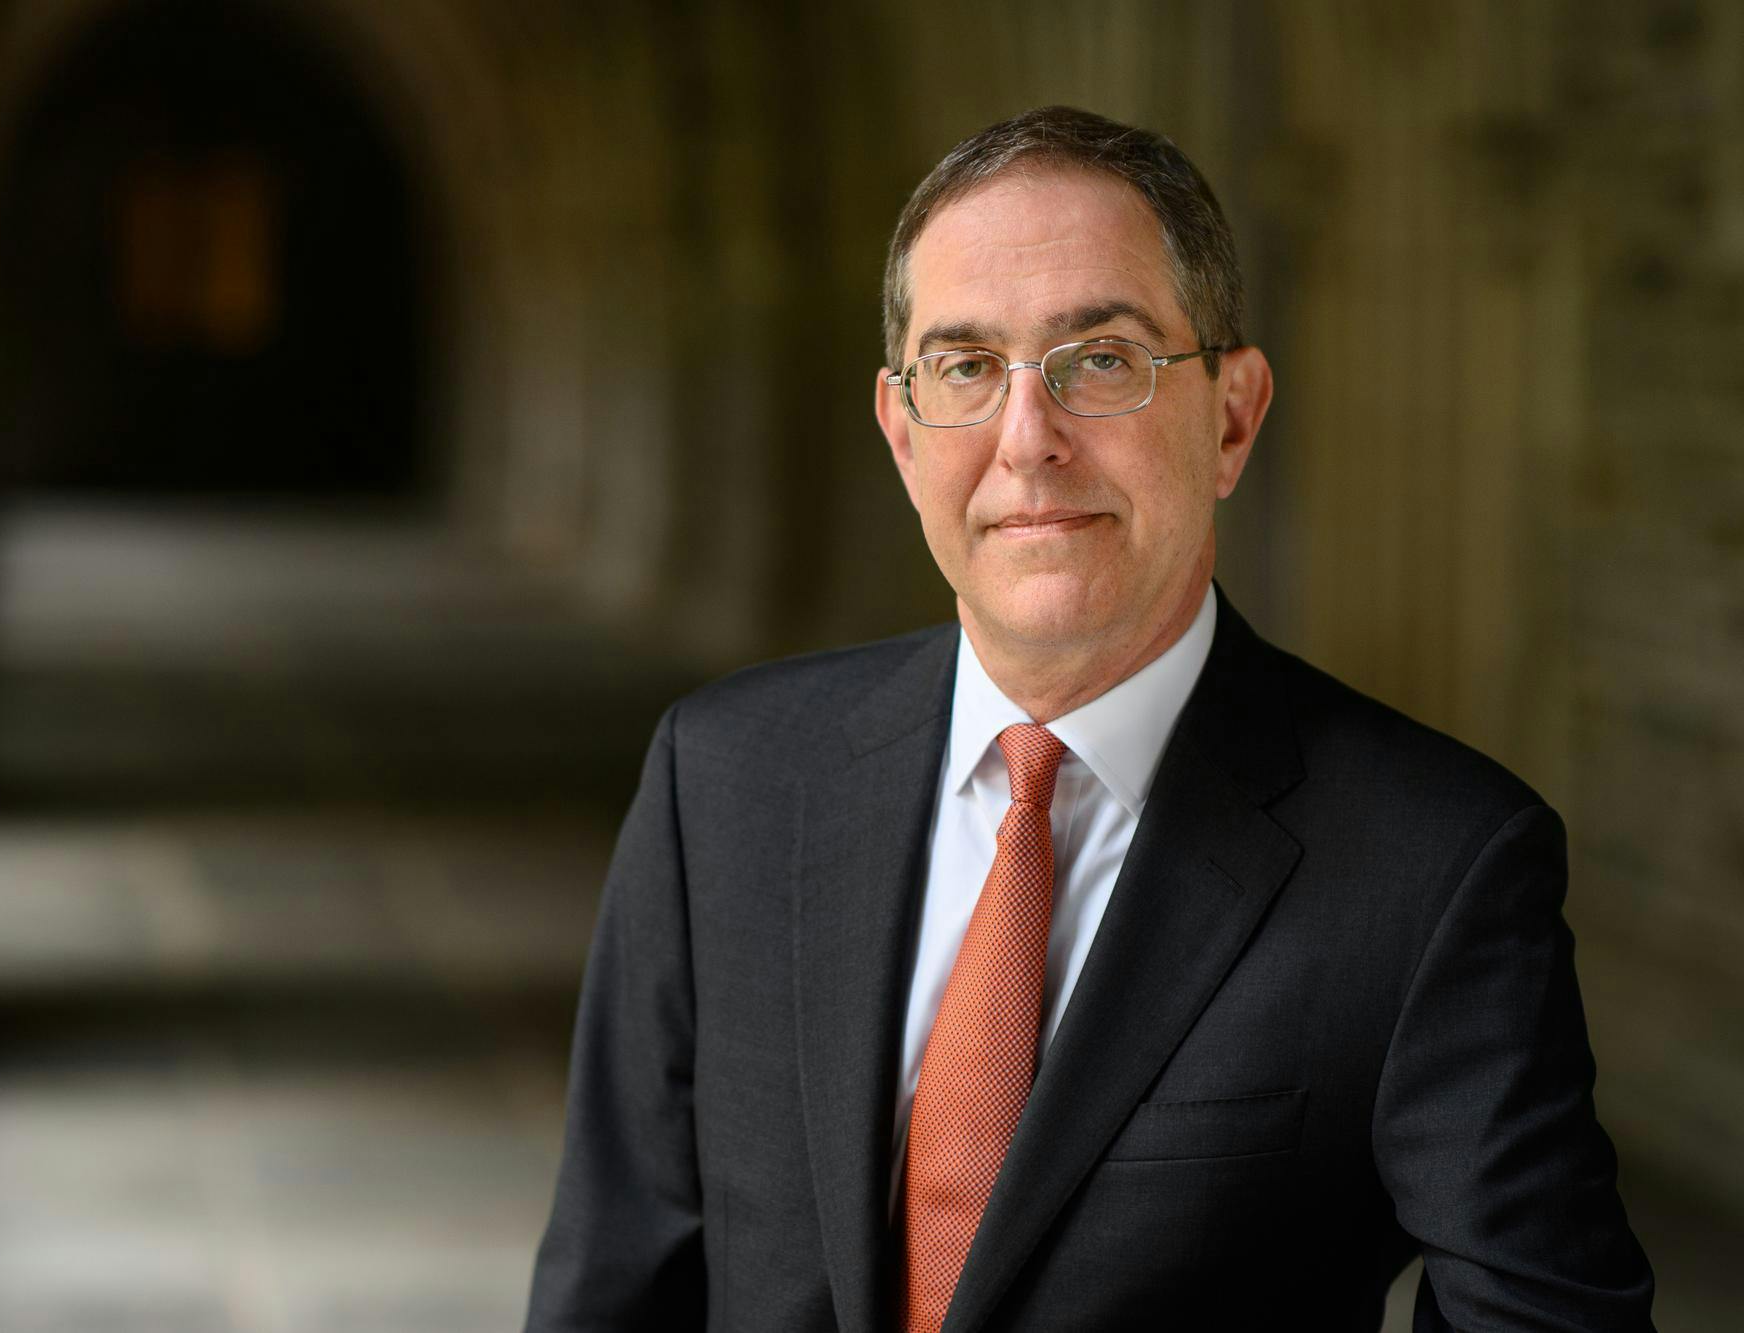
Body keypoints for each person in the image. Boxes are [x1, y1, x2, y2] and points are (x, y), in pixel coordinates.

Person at [524, 106, 1654, 1332]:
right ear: (901, 434)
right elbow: (612, 1283)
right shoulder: (724, 782)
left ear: (1230, 415)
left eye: (1099, 359)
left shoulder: (1432, 866)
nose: (1027, 443)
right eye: (963, 367)